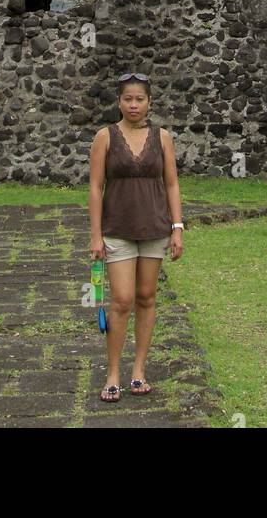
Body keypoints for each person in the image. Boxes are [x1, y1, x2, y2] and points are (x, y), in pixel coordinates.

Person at [88, 72, 185, 403]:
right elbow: (95, 187)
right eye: (127, 99)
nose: (133, 104)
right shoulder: (105, 137)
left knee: (146, 297)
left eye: (139, 99)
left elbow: (171, 184)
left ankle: (139, 370)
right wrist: (95, 236)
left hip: (155, 227)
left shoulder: (163, 138)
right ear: (119, 102)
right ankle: (113, 372)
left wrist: (177, 227)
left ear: (149, 102)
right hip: (117, 228)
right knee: (122, 300)